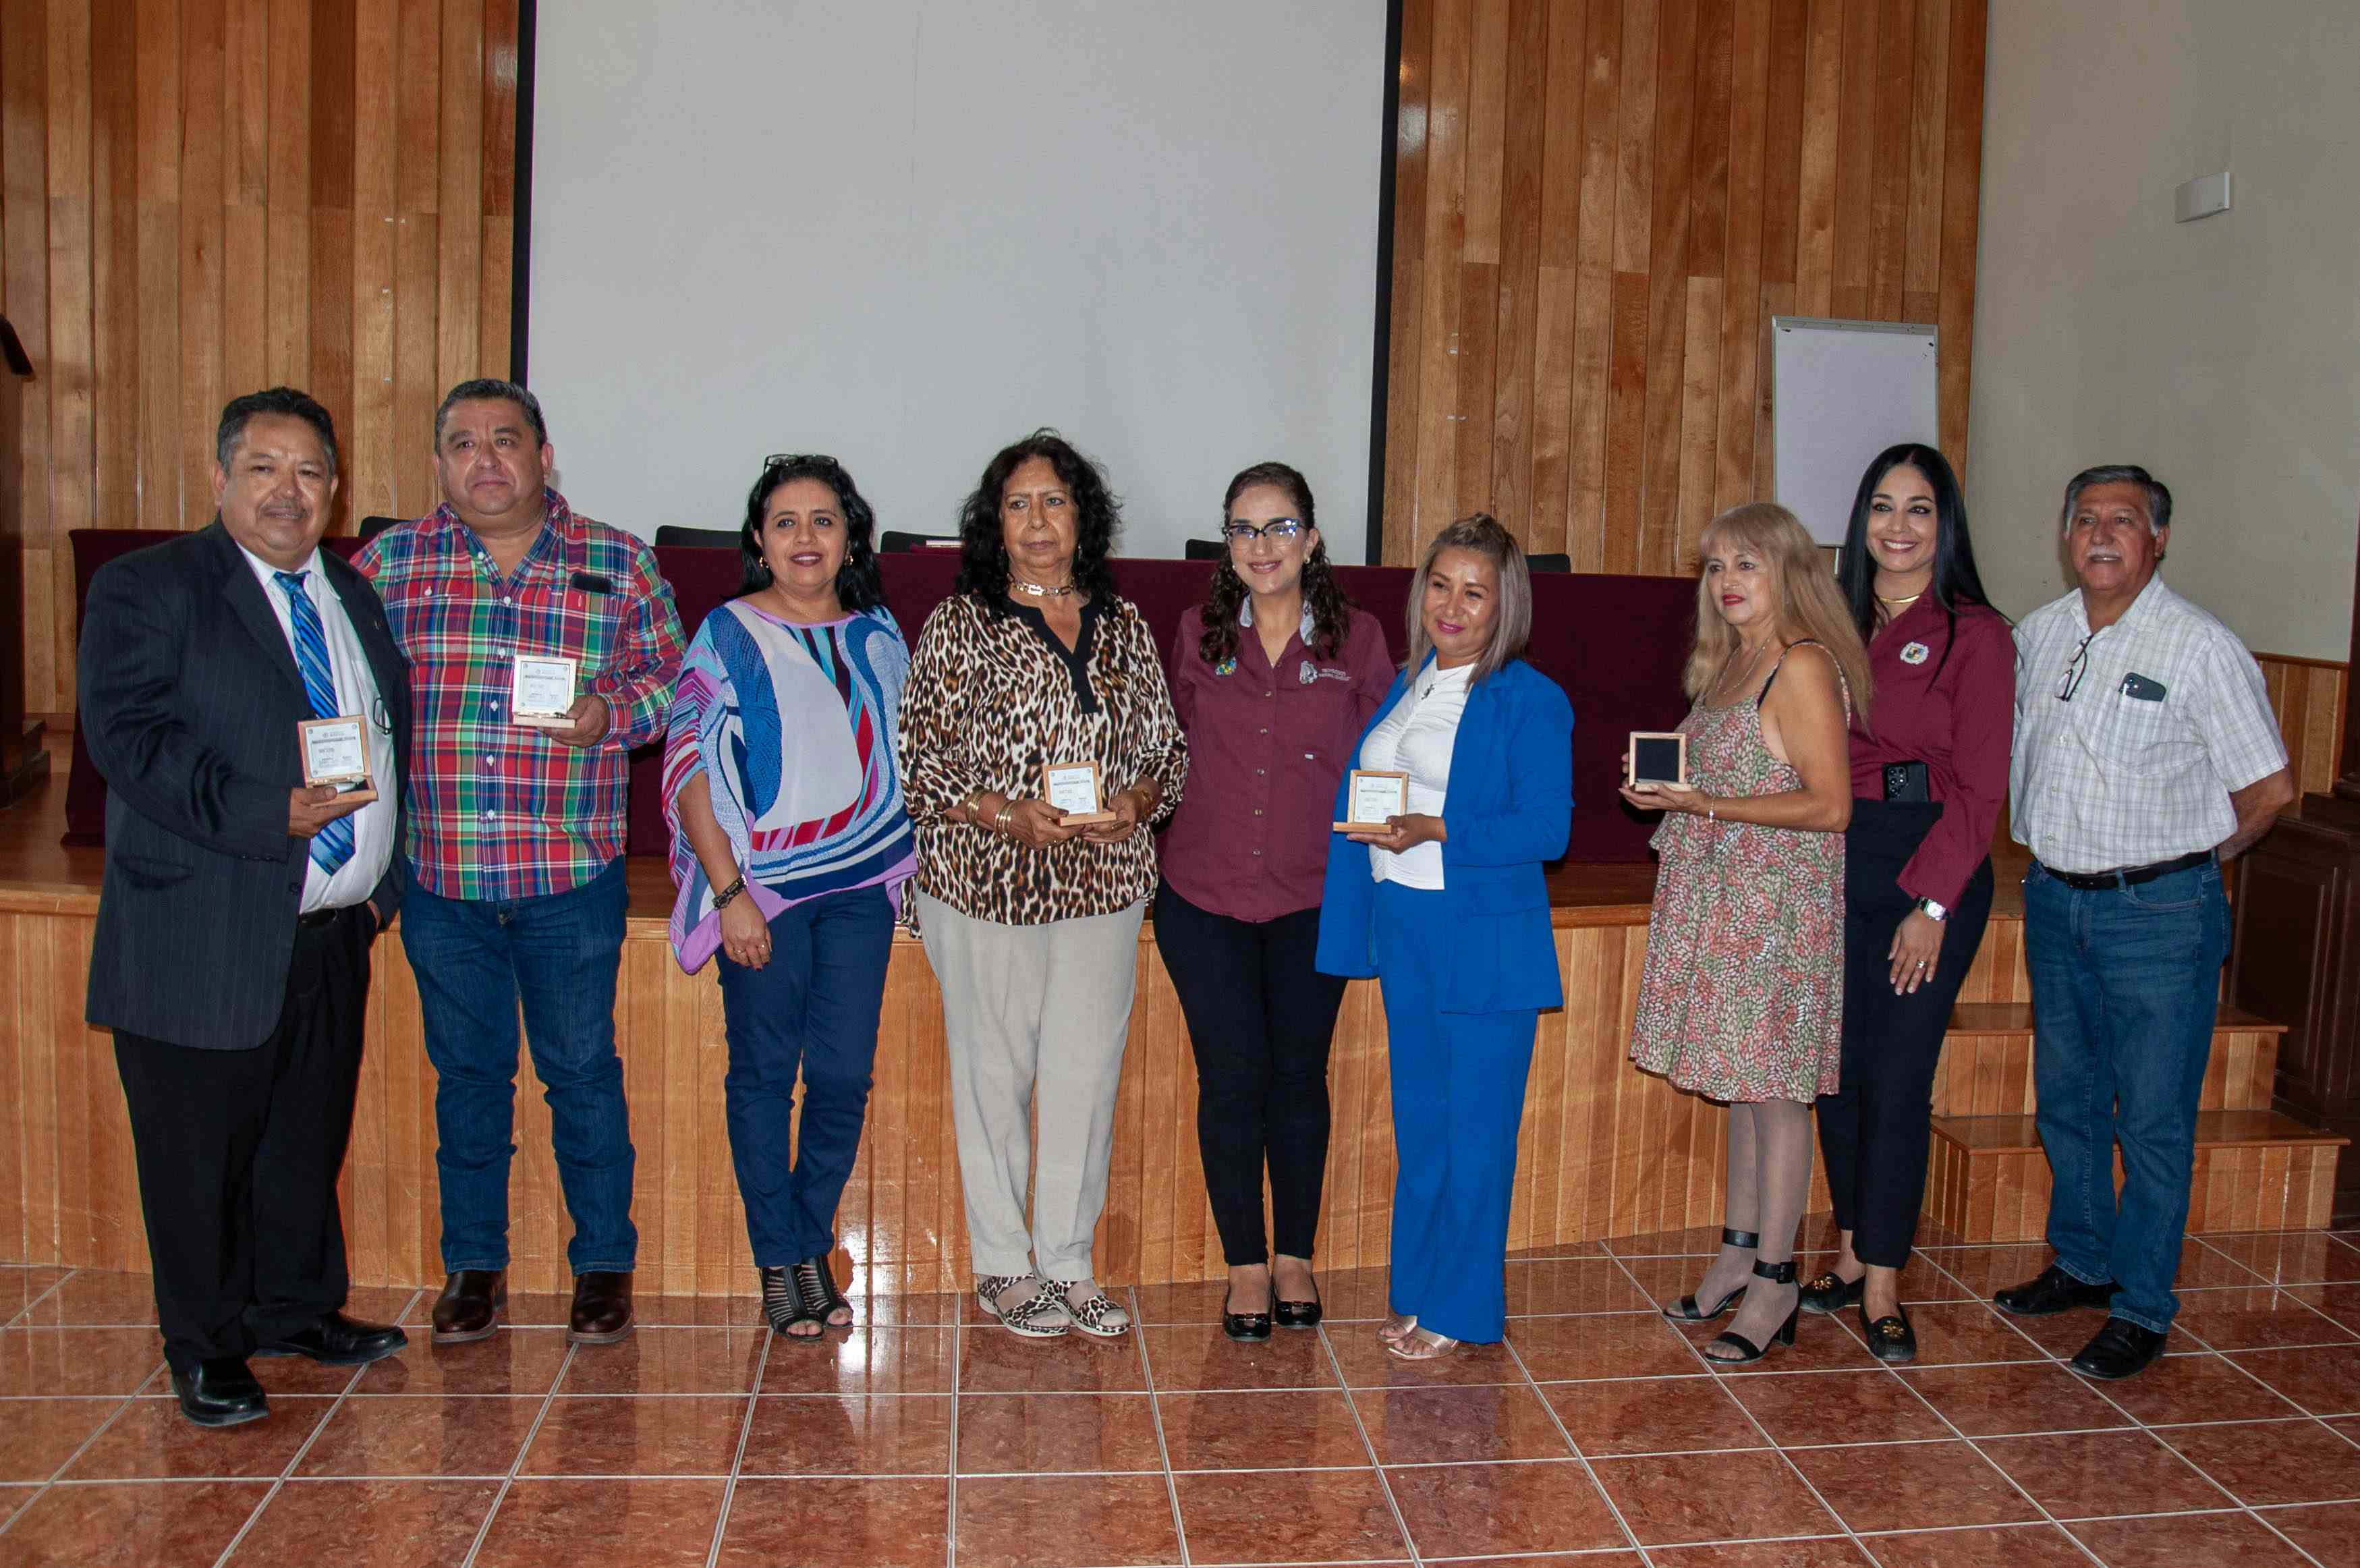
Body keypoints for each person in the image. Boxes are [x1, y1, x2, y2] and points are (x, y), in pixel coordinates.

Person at [80, 387, 411, 1426]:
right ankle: (206, 1346)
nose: (288, 490)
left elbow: (385, 732)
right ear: (219, 477)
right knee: (197, 1158)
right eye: (265, 467)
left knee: (301, 1139)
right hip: (202, 923)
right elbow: (133, 744)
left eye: (310, 471)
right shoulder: (148, 589)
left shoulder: (351, 593)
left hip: (329, 926)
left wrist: (378, 884)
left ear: (335, 487)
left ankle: (295, 1310)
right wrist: (271, 813)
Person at [356, 378, 685, 1347]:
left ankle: (602, 1266)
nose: (485, 460)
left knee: (581, 1073)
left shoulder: (616, 562)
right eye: (463, 444)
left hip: (565, 880)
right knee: (467, 1078)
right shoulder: (388, 565)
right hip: (443, 877)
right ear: (438, 465)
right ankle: (473, 1266)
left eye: (506, 441)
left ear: (545, 458)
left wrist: (609, 717)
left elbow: (671, 678)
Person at [1997, 465, 2293, 1380]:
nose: (2098, 534)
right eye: (2083, 519)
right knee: (2068, 1103)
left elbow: (2269, 789)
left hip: (2160, 915)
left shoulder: (2200, 647)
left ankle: (2142, 1305)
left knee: (2153, 1122)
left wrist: (2188, 872)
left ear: (2156, 540)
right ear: (2063, 536)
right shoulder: (2037, 637)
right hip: (2052, 901)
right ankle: (2083, 1264)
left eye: (2120, 521)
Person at [900, 430, 1187, 1340]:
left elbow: (1166, 752)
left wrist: (1139, 799)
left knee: (1082, 1077)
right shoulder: (958, 621)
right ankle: (1003, 1265)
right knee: (993, 1078)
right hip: (984, 882)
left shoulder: (1126, 620)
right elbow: (918, 758)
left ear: (1081, 518)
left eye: (1053, 501)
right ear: (994, 523)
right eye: (1018, 504)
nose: (1036, 521)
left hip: (1102, 886)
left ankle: (1067, 1263)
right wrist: (1002, 812)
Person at [662, 454, 915, 1339]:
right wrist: (729, 890)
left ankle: (805, 1238)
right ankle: (781, 1255)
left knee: (842, 1075)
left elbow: (902, 757)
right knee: (765, 1075)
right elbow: (690, 765)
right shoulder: (726, 633)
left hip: (859, 891)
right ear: (759, 542)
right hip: (763, 890)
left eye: (822, 520)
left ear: (851, 537)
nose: (804, 537)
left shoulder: (880, 634)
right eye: (784, 521)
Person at [1314, 513, 1573, 1361]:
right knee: (1423, 1121)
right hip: (1409, 925)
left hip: (1483, 938)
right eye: (1440, 584)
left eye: (1474, 592)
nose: (1451, 606)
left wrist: (1435, 826)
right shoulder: (1411, 681)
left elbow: (1546, 830)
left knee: (1475, 1131)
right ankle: (1420, 1289)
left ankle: (1462, 1309)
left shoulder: (1531, 698)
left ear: (1507, 607)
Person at [1626, 502, 1870, 1366]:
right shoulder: (1729, 663)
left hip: (1775, 914)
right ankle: (1737, 1247)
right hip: (1720, 898)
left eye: (1747, 566)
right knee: (1738, 1085)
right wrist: (1668, 794)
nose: (1727, 582)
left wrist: (1709, 803)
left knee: (1776, 1093)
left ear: (1788, 574)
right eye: (1716, 566)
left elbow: (1832, 805)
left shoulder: (1802, 664)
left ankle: (1776, 1275)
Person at [1156, 462, 1393, 1340]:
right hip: (1203, 896)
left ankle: (1294, 1255)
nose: (1261, 546)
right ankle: (1246, 1267)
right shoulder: (1193, 631)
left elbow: (1387, 755)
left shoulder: (1357, 638)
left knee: (1297, 1078)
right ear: (1227, 543)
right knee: (1231, 1080)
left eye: (1279, 526)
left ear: (1312, 539)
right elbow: (1159, 744)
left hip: (1312, 898)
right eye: (1243, 529)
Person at [1800, 446, 2011, 1364]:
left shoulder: (1976, 633)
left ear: (1944, 525)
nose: (1897, 526)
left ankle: (1884, 1279)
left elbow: (1980, 787)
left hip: (1931, 862)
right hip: (1833, 853)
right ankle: (1850, 1250)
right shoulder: (1825, 624)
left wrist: (1929, 903)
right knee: (1835, 1070)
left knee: (1895, 1074)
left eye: (1918, 509)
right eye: (1881, 507)